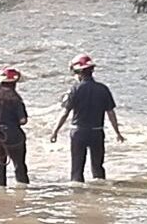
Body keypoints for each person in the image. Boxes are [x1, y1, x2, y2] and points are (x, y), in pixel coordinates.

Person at [50, 54, 125, 182]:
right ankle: (100, 193)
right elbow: (111, 113)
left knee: (77, 168)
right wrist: (117, 132)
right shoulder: (103, 89)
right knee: (98, 167)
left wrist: (55, 131)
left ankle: (77, 196)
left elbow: (65, 113)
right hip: (97, 132)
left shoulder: (74, 89)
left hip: (78, 132)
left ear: (78, 73)